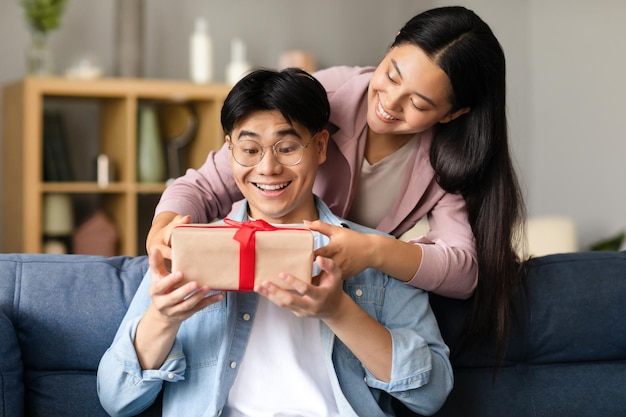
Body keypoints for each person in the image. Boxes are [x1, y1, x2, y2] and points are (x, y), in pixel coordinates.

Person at [147, 6, 525, 359]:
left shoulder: (450, 161)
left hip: (351, 309)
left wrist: (374, 251)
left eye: (420, 104)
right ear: (393, 42)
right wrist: (163, 227)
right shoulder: (325, 96)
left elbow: (463, 271)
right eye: (392, 75)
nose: (390, 103)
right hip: (264, 289)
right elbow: (203, 186)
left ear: (453, 113)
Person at [97, 68, 453, 417]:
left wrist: (338, 311)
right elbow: (116, 398)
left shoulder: (375, 253)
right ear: (230, 151)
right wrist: (162, 317)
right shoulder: (186, 248)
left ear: (321, 147)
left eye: (286, 147)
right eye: (250, 150)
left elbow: (432, 395)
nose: (268, 168)